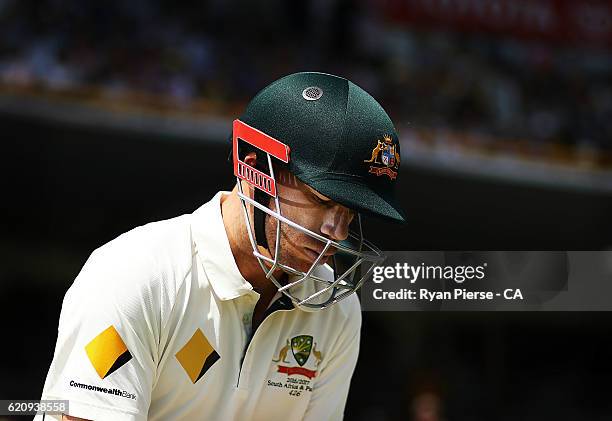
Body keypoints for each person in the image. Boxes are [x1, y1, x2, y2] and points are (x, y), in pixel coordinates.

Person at [36, 72, 406, 420]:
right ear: (254, 168)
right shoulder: (138, 275)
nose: (337, 232)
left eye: (350, 213)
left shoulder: (336, 314)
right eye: (322, 200)